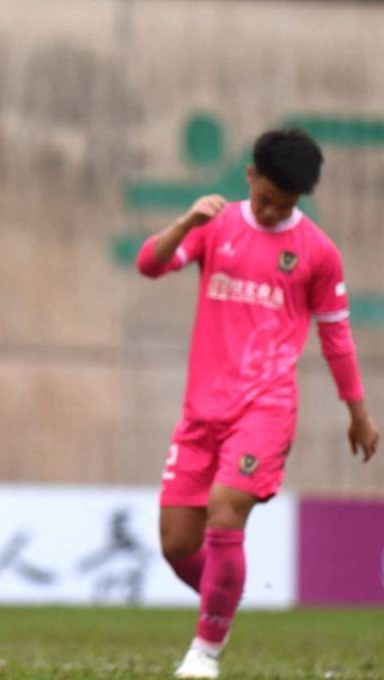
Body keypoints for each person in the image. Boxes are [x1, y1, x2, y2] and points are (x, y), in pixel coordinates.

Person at [136, 128, 379, 679]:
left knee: (226, 510)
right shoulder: (214, 226)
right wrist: (184, 223)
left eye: (284, 205)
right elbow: (149, 265)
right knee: (177, 544)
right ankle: (225, 595)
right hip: (201, 412)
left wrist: (358, 413)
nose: (271, 212)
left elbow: (337, 338)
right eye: (266, 199)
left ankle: (205, 654)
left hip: (266, 408)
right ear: (249, 176)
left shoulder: (318, 253)